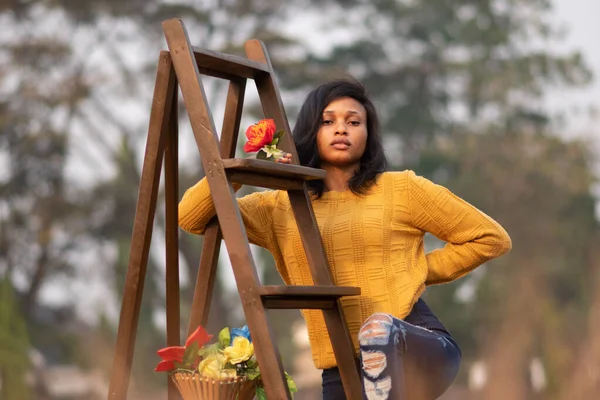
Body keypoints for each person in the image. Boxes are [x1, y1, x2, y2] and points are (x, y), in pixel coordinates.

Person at [178, 79, 512, 399]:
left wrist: (416, 270)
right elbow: (191, 216)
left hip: (411, 343)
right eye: (328, 121)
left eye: (354, 121)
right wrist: (242, 170)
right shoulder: (281, 207)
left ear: (368, 135)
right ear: (311, 131)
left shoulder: (403, 189)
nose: (341, 129)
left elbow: (490, 238)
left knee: (378, 332)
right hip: (340, 365)